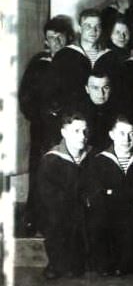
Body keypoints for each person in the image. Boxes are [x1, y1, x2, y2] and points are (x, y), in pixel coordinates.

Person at [19, 15, 74, 235]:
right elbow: (26, 97)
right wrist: (41, 114)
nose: (56, 42)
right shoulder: (39, 63)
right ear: (46, 41)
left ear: (69, 38)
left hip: (66, 128)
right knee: (40, 171)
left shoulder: (73, 62)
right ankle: (35, 219)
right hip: (42, 128)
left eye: (60, 37)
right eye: (52, 38)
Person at [86, 115, 133, 276]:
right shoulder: (99, 160)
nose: (126, 139)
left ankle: (125, 264)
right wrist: (127, 195)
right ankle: (105, 264)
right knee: (99, 220)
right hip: (110, 211)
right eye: (121, 133)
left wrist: (113, 193)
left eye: (131, 134)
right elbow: (97, 194)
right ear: (112, 135)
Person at [37, 112, 91, 279]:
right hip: (61, 210)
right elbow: (48, 195)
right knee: (57, 222)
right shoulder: (52, 160)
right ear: (64, 133)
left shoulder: (91, 155)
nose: (82, 136)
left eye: (85, 131)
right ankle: (56, 263)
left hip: (85, 208)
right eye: (76, 131)